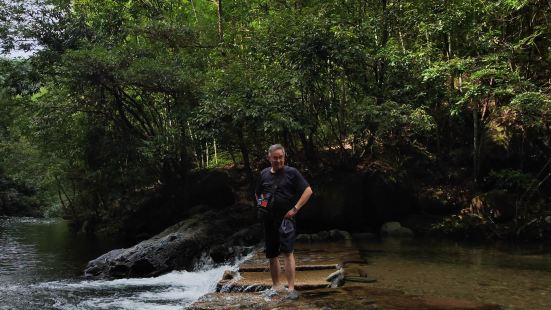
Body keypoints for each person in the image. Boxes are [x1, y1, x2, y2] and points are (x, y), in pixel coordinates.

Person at [255, 144, 313, 300]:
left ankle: (291, 288)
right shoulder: (263, 174)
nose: (278, 160)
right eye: (275, 157)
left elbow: (308, 191)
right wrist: (262, 206)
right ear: (269, 158)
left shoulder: (292, 173)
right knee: (272, 254)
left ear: (284, 157)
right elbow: (257, 193)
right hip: (268, 219)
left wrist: (295, 209)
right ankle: (275, 285)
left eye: (281, 157)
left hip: (286, 220)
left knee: (288, 252)